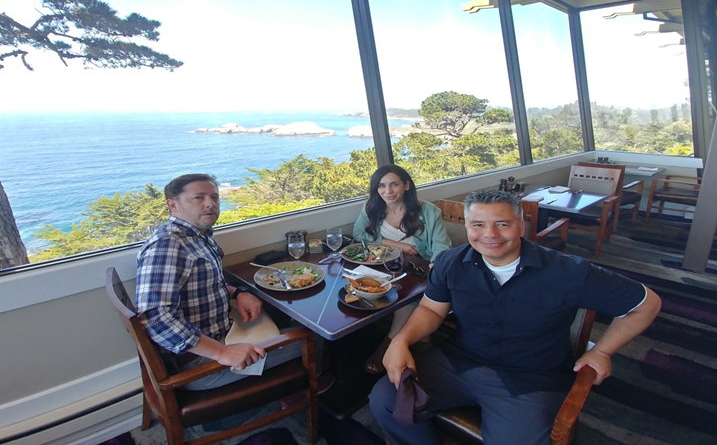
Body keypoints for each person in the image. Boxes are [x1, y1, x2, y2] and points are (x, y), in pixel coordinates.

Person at [369, 190, 661, 445]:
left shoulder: (568, 272)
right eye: (478, 225)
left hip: (531, 377)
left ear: (521, 226)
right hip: (459, 362)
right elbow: (432, 309)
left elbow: (647, 304)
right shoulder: (450, 262)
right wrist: (401, 341)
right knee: (385, 399)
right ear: (468, 227)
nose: (489, 234)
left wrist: (603, 351)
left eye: (502, 224)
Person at [135, 173, 300, 390]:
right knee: (311, 337)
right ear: (173, 205)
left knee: (280, 313)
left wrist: (237, 293)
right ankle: (303, 391)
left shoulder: (198, 236)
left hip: (222, 329)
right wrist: (221, 352)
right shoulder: (167, 245)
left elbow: (203, 285)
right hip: (198, 362)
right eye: (198, 198)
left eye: (215, 197)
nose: (210, 204)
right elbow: (155, 317)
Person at [353, 164, 452, 374]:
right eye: (381, 186)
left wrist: (436, 264)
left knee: (406, 297)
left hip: (418, 271)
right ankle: (424, 340)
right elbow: (359, 235)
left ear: (406, 185)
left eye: (394, 184)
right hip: (383, 269)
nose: (387, 191)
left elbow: (442, 246)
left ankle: (390, 344)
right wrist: (396, 244)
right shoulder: (371, 208)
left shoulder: (428, 211)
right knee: (360, 292)